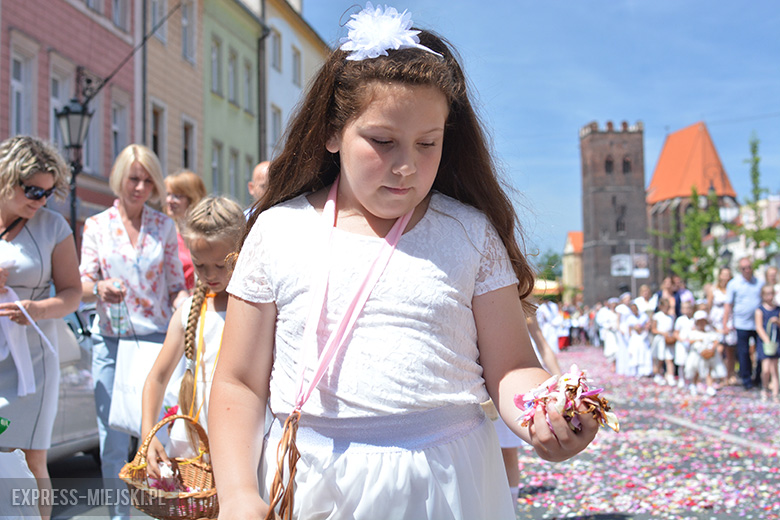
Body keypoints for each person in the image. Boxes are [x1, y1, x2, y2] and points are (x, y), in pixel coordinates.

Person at [208, 7, 599, 519]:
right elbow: (238, 380)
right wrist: (238, 493)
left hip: (448, 482)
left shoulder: (469, 233)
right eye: (382, 141)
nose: (407, 165)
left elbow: (512, 367)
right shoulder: (278, 231)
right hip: (314, 480)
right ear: (333, 133)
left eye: (427, 143)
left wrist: (542, 414)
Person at [80, 144, 188, 520]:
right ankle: (118, 515)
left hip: (155, 342)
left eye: (147, 181)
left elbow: (176, 287)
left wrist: (187, 308)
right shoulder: (97, 225)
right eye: (133, 179)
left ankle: (164, 510)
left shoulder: (163, 227)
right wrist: (98, 288)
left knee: (158, 435)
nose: (140, 187)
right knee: (111, 441)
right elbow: (81, 284)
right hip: (110, 341)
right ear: (119, 179)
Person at [0, 136, 81, 520]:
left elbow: (72, 294)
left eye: (48, 193)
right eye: (33, 190)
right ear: (7, 177)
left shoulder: (53, 227)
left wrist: (36, 308)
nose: (41, 200)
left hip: (32, 360)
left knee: (31, 457)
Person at [141, 196, 245, 478]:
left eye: (221, 265)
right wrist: (148, 436)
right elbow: (157, 378)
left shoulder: (256, 308)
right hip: (191, 443)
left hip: (241, 440)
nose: (210, 275)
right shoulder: (188, 311)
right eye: (199, 266)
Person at [494, 311, 562, 510]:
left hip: (511, 383)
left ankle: (510, 508)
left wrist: (561, 382)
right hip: (480, 382)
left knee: (507, 451)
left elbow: (542, 345)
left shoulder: (523, 306)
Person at [723, 256, 764, 390]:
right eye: (744, 268)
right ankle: (746, 380)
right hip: (741, 324)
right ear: (740, 269)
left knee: (761, 352)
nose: (747, 270)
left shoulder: (760, 283)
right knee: (743, 353)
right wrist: (725, 324)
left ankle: (758, 379)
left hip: (758, 324)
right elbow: (728, 305)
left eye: (749, 267)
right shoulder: (734, 284)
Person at [164, 170, 207, 291]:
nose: (169, 200)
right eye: (168, 194)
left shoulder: (204, 234)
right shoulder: (165, 232)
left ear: (192, 198)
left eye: (177, 196)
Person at [707, 267, 737, 385]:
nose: (725, 277)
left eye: (727, 274)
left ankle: (729, 375)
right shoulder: (714, 289)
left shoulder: (732, 289)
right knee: (718, 349)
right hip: (717, 321)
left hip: (730, 320)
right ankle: (717, 375)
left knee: (730, 350)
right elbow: (709, 306)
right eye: (723, 274)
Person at [687, 310, 725, 397]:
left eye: (703, 322)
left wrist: (712, 349)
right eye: (699, 322)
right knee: (696, 371)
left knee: (708, 371)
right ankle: (693, 385)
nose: (701, 324)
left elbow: (716, 340)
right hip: (697, 356)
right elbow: (690, 341)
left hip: (707, 356)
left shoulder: (709, 333)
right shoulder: (694, 333)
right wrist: (699, 341)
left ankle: (709, 387)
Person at [755, 285, 779, 401]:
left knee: (774, 369)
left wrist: (777, 321)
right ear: (763, 295)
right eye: (767, 294)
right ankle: (764, 389)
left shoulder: (777, 309)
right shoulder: (760, 310)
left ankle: (775, 393)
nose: (770, 296)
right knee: (766, 369)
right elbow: (759, 327)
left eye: (771, 294)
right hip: (764, 343)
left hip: (776, 341)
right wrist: (766, 340)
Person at [651, 298, 676, 385]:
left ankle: (670, 376)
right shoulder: (657, 316)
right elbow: (653, 329)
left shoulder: (671, 317)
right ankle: (658, 374)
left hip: (668, 339)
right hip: (660, 339)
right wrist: (662, 333)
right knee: (660, 359)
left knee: (669, 358)